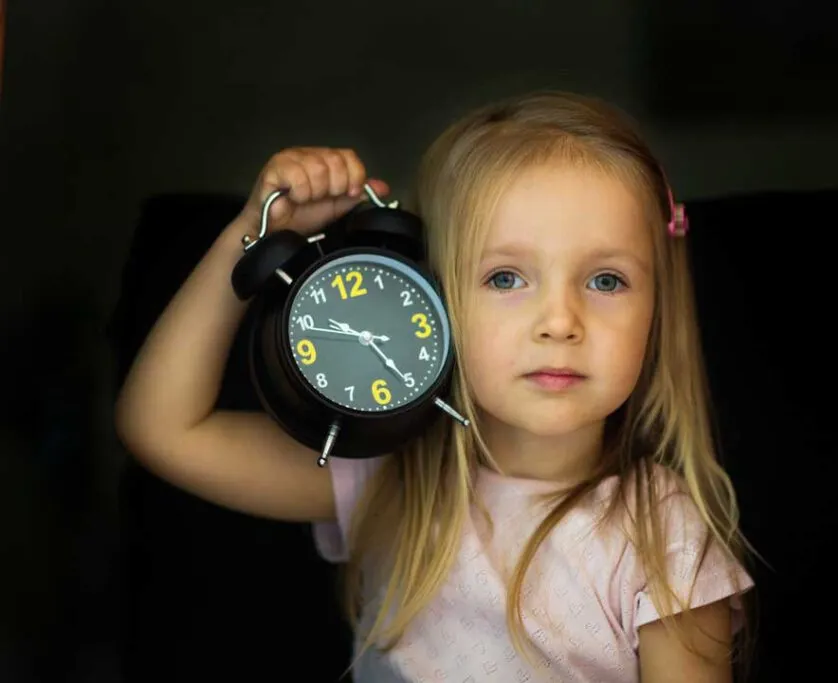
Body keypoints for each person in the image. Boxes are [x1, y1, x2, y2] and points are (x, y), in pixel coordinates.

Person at [114, 90, 756, 682]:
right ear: (433, 305)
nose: (561, 322)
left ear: (656, 311)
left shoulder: (659, 533)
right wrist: (250, 236)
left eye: (606, 281)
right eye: (506, 278)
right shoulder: (394, 483)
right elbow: (164, 429)